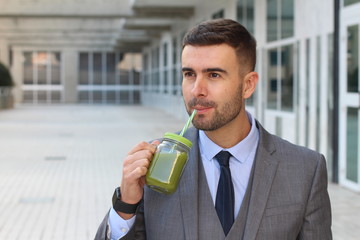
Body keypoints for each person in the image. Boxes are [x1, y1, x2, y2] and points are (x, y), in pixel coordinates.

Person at [95, 18, 332, 240]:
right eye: (189, 74)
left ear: (248, 85)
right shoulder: (154, 164)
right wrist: (126, 205)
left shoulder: (306, 170)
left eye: (214, 74)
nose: (197, 90)